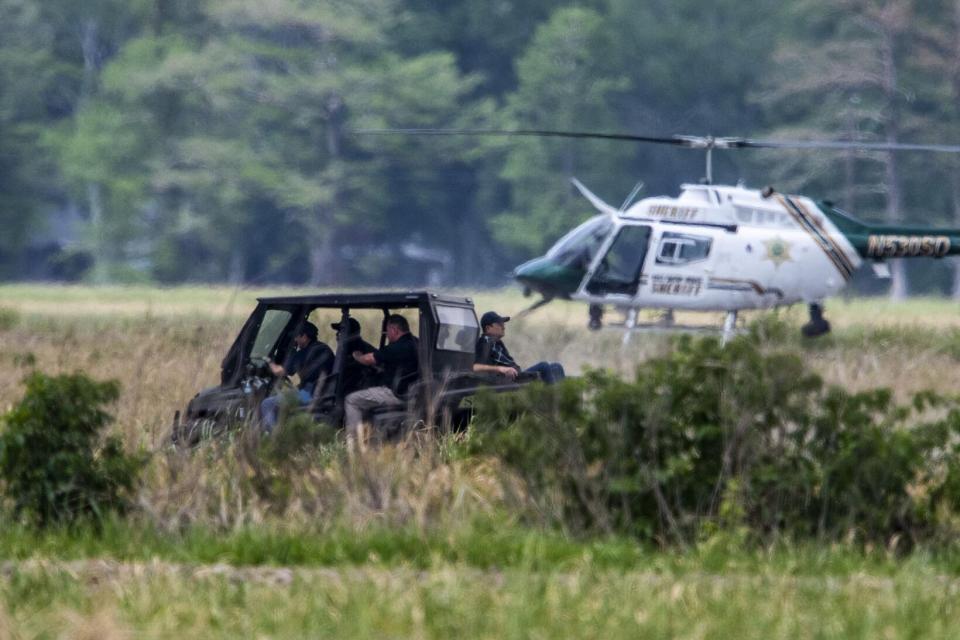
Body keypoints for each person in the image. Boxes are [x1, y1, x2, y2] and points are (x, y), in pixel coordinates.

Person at [344, 314, 419, 441]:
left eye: (387, 331)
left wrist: (357, 357)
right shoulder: (415, 342)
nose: (386, 334)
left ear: (395, 330)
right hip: (410, 390)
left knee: (351, 400)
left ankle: (353, 442)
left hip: (395, 393)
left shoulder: (397, 347)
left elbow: (369, 359)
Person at [259, 320, 334, 432]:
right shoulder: (324, 348)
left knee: (267, 403)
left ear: (304, 337)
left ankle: (271, 436)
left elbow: (279, 371)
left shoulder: (303, 353)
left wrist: (267, 360)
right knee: (285, 394)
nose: (295, 340)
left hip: (309, 394)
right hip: (325, 392)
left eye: (296, 337)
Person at [473, 311, 565, 384]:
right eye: (500, 324)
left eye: (503, 324)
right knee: (544, 366)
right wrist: (500, 369)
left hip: (517, 377)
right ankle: (554, 400)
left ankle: (565, 398)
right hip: (507, 381)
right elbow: (476, 367)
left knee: (556, 367)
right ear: (488, 328)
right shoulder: (484, 342)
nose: (503, 327)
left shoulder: (497, 343)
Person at [331, 316, 376, 396]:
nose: (337, 335)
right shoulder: (357, 347)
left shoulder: (354, 350)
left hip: (357, 390)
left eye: (340, 332)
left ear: (348, 334)